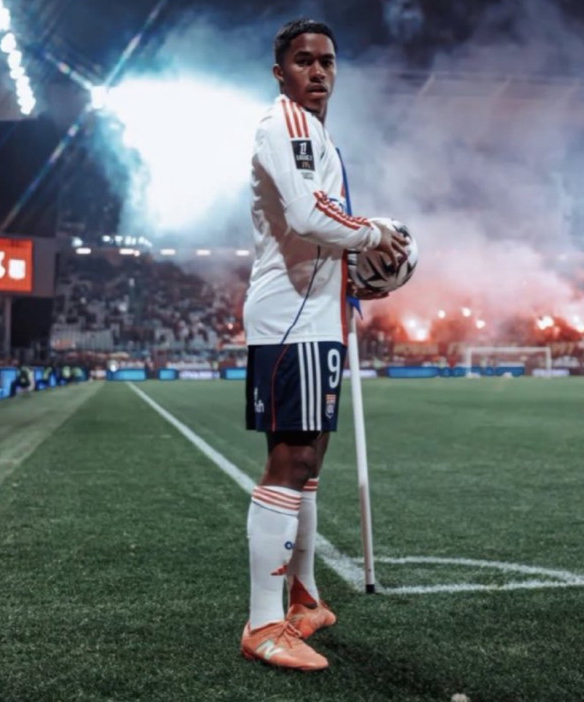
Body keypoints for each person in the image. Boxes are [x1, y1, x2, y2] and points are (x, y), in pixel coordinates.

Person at [241, 18, 408, 671]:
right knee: (291, 460)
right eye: (303, 61)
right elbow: (310, 215)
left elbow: (314, 233)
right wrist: (375, 233)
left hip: (316, 312)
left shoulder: (313, 131)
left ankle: (304, 598)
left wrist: (357, 277)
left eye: (327, 61)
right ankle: (263, 624)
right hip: (293, 319)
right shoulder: (286, 124)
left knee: (308, 463)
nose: (317, 71)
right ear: (279, 72)